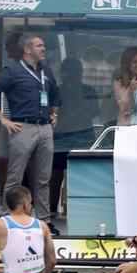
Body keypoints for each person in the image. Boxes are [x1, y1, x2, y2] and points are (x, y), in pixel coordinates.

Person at [0, 33, 61, 235]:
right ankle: (9, 219)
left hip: (44, 127)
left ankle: (44, 220)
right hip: (22, 127)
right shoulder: (13, 71)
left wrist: (54, 114)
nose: (44, 49)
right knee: (14, 177)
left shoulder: (46, 71)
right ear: (27, 49)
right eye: (40, 45)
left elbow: (55, 95)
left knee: (43, 178)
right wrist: (3, 119)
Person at [51, 58, 99, 217]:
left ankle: (79, 210)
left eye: (74, 70)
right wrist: (76, 113)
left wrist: (71, 115)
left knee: (78, 174)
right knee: (56, 175)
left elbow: (94, 110)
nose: (71, 74)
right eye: (69, 70)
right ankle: (52, 210)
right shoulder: (58, 90)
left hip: (81, 136)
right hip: (62, 137)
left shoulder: (88, 90)